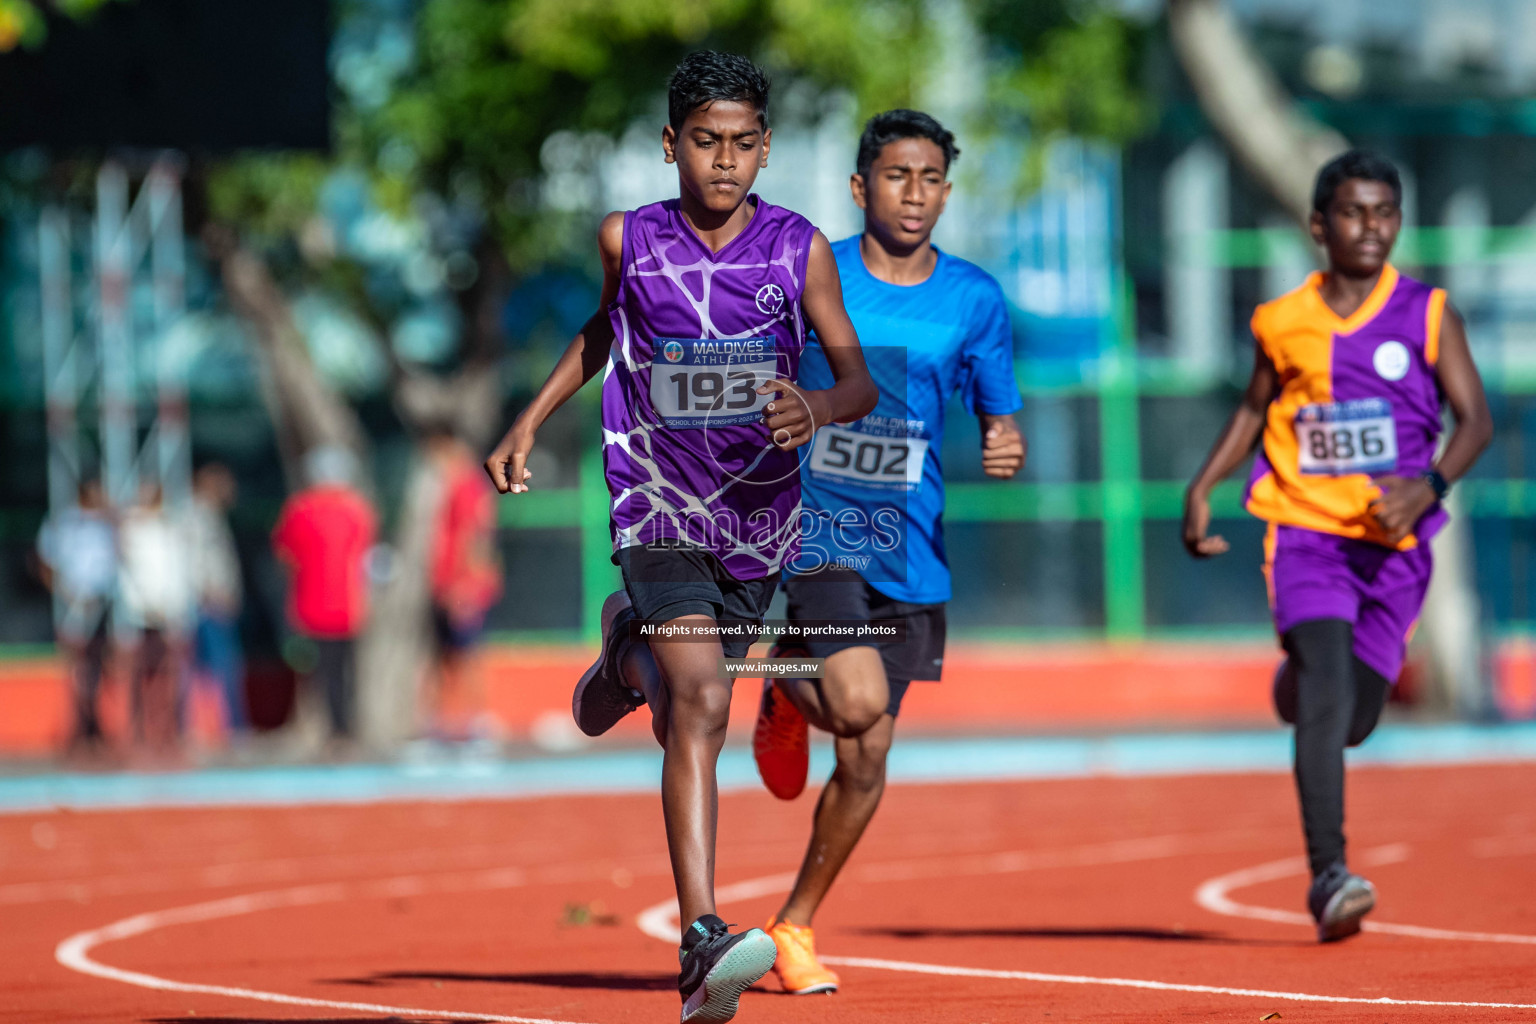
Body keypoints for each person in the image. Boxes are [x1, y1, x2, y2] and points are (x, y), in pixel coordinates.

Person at [485, 50, 876, 1024]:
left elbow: (858, 379)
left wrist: (818, 407)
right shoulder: (630, 239)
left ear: (767, 149)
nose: (725, 161)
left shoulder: (800, 249)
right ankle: (704, 941)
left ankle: (623, 656)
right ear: (671, 146)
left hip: (758, 515)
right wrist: (529, 419)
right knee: (702, 700)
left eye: (745, 144)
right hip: (655, 498)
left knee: (677, 706)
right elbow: (600, 333)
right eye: (705, 142)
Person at [748, 110, 1027, 994]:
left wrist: (1003, 442)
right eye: (898, 176)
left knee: (866, 755)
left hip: (914, 551)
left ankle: (793, 925)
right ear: (860, 186)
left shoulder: (974, 298)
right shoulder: (811, 273)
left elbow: (997, 411)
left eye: (932, 177)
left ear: (948, 190)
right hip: (823, 534)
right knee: (858, 700)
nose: (916, 193)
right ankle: (787, 679)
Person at [1182, 150, 1492, 941]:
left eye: (1385, 212)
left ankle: (1298, 686)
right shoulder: (1281, 321)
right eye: (1354, 212)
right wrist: (1203, 485)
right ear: (1320, 226)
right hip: (1305, 532)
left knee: (1350, 718)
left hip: (1395, 549)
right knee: (1326, 692)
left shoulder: (1427, 314)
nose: (1372, 227)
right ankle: (1330, 875)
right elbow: (1255, 410)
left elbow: (1476, 421)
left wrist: (1429, 486)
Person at [272, 446, 378, 746]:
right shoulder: (357, 509)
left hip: (310, 606)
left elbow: (283, 553)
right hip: (349, 606)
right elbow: (366, 557)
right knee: (347, 671)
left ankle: (333, 730)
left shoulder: (299, 509)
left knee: (318, 672)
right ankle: (345, 729)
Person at [424, 426, 503, 744]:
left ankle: (479, 724)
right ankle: (438, 725)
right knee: (442, 657)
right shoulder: (453, 487)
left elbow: (476, 539)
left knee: (468, 655)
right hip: (446, 585)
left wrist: (466, 587)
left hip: (462, 587)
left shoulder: (468, 487)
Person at [35, 477, 118, 752]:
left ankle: (102, 726)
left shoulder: (109, 523)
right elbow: (45, 562)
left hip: (104, 605)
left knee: (106, 668)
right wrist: (64, 593)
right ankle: (82, 729)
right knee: (78, 669)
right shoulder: (63, 522)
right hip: (73, 607)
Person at [117, 482, 196, 752]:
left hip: (169, 612)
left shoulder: (172, 531)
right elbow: (128, 575)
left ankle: (172, 730)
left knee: (173, 673)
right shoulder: (130, 531)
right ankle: (137, 731)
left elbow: (178, 573)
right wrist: (143, 606)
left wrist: (173, 608)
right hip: (139, 614)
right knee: (136, 673)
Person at [189, 463, 247, 737]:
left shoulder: (212, 516)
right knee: (219, 667)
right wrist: (212, 592)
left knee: (219, 667)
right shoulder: (197, 517)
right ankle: (226, 728)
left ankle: (220, 728)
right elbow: (197, 561)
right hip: (208, 605)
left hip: (214, 602)